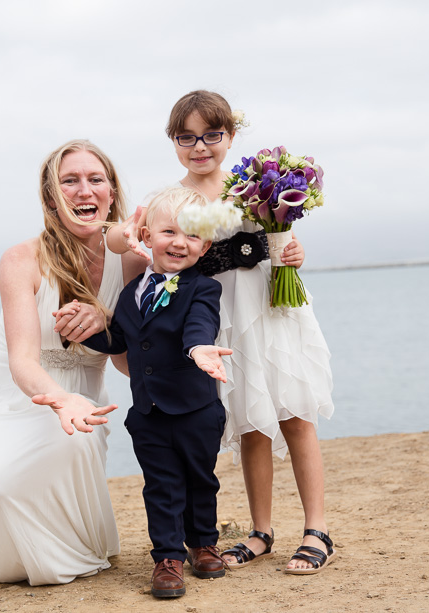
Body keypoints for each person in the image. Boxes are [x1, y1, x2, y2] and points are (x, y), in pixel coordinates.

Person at [109, 90, 335, 574]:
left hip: (271, 308)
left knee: (295, 413)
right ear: (173, 141)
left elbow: (284, 239)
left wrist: (294, 253)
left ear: (230, 136)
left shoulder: (251, 186)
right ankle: (261, 532)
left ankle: (317, 529)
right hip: (215, 320)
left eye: (212, 135)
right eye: (186, 137)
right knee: (251, 420)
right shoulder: (174, 200)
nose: (200, 146)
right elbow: (122, 236)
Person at [0, 139, 148, 586]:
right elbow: (21, 360)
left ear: (112, 192)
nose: (85, 191)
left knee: (71, 448)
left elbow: (124, 362)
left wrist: (106, 324)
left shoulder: (133, 261)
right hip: (11, 393)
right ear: (50, 197)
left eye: (96, 180)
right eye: (70, 181)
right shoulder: (21, 259)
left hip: (84, 397)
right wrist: (63, 401)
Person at [71, 186, 232, 598]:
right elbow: (121, 340)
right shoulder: (129, 294)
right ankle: (167, 558)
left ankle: (202, 543)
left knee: (200, 480)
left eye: (192, 236)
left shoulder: (203, 289)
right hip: (149, 413)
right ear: (146, 234)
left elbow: (200, 324)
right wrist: (87, 332)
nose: (179, 243)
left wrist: (199, 348)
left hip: (196, 409)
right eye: (169, 232)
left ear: (205, 245)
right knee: (160, 485)